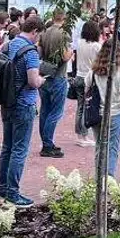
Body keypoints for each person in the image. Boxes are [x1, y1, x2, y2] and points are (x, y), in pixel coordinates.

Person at [0, 15, 45, 207]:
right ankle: (13, 192)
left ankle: (2, 189)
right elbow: (33, 81)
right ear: (34, 31)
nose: (38, 39)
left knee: (6, 147)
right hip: (24, 103)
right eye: (38, 35)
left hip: (6, 102)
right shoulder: (30, 52)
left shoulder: (8, 45)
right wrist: (42, 79)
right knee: (19, 149)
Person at [93, 44, 120, 177]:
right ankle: (108, 178)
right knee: (112, 147)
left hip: (98, 112)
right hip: (115, 112)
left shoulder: (96, 70)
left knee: (99, 145)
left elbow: (87, 87)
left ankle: (99, 176)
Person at [37, 12, 72, 159]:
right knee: (56, 112)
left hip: (45, 74)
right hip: (58, 75)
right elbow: (65, 56)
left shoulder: (45, 32)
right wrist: (70, 54)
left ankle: (46, 142)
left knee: (45, 109)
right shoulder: (64, 34)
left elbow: (38, 51)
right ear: (64, 19)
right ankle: (47, 143)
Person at [73, 21, 103, 148]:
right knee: (87, 106)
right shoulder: (96, 46)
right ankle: (83, 135)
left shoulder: (80, 43)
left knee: (80, 107)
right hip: (89, 78)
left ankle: (80, 134)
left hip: (79, 75)